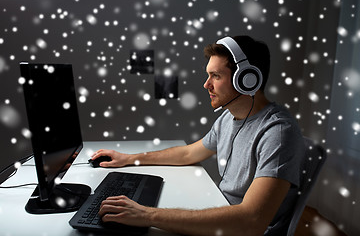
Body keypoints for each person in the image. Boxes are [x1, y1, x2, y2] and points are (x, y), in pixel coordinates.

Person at [92, 35, 305, 236]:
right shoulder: (227, 119)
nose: (206, 85)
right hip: (224, 217)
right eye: (208, 75)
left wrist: (148, 215)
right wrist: (129, 159)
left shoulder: (277, 132)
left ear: (247, 80)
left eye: (216, 76)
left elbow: (252, 221)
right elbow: (187, 154)